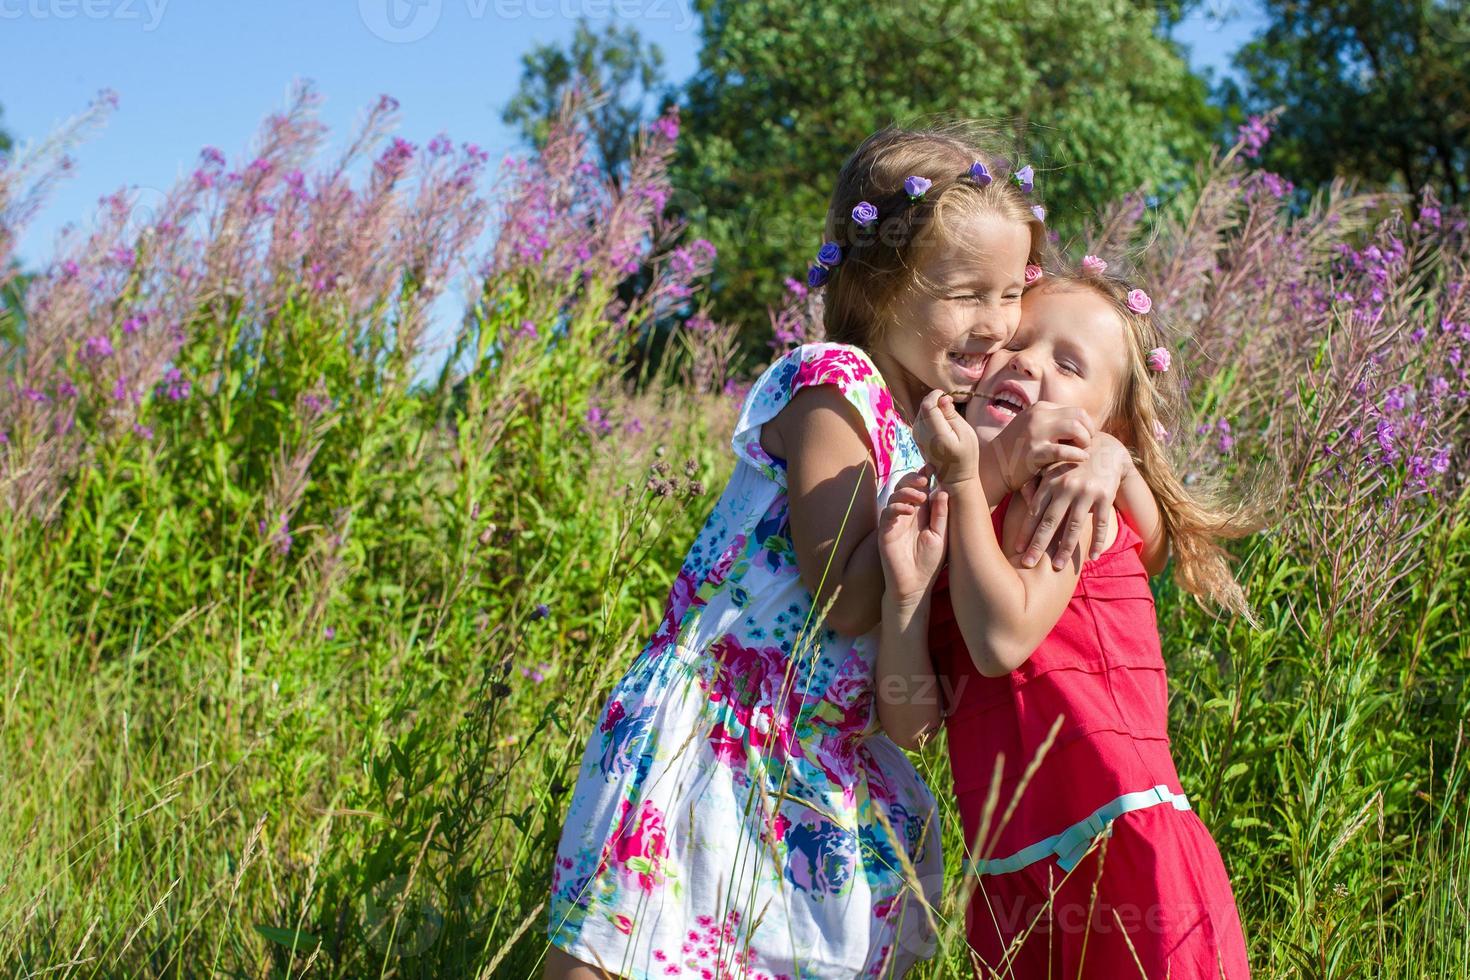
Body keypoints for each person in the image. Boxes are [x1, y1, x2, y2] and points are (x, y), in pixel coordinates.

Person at [877, 263, 1259, 977]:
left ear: (1105, 425)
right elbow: (913, 726)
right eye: (1018, 341)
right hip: (1011, 879)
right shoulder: (958, 519)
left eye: (1069, 362)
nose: (1026, 360)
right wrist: (906, 599)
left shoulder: (1070, 497)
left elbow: (998, 641)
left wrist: (979, 478)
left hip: (1118, 848)